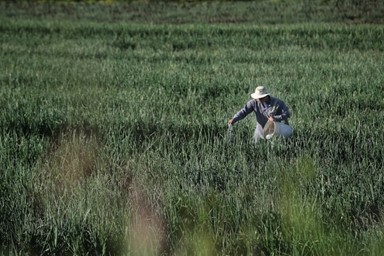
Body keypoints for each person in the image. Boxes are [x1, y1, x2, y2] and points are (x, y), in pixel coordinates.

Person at [228, 85, 292, 143]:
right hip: (259, 132)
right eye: (258, 98)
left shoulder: (278, 103)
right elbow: (244, 111)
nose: (259, 99)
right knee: (256, 148)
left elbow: (287, 114)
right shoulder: (253, 103)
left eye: (261, 98)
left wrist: (276, 118)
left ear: (266, 96)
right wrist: (234, 119)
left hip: (274, 132)